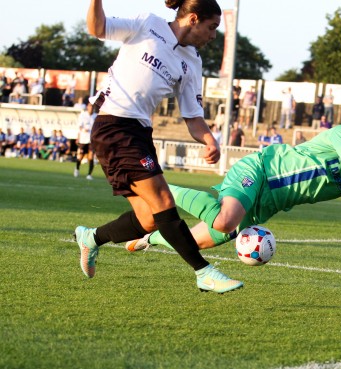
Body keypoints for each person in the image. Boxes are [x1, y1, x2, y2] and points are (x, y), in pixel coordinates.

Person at [125, 101, 341, 266]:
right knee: (224, 220)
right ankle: (152, 185)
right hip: (259, 171)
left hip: (266, 205)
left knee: (200, 242)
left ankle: (151, 238)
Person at [75, 0, 242, 294]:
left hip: (140, 132)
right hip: (114, 125)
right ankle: (204, 272)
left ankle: (91, 238)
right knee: (164, 200)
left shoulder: (192, 62)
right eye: (212, 27)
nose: (214, 35)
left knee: (150, 219)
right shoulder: (146, 23)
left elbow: (192, 116)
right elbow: (97, 28)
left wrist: (208, 139)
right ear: (193, 19)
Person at [75, 102, 97, 180]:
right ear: (87, 107)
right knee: (80, 156)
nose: (91, 108)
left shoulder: (96, 116)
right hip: (83, 139)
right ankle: (77, 169)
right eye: (90, 106)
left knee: (91, 157)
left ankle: (89, 175)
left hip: (91, 140)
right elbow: (79, 126)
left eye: (92, 106)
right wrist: (83, 130)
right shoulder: (83, 115)